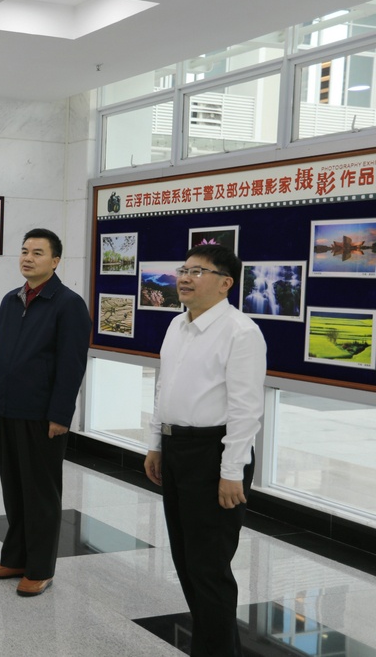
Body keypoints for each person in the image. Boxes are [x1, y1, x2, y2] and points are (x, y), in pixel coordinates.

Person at [144, 244, 266, 657]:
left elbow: (246, 410)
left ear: (225, 283)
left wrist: (231, 472)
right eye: (184, 269)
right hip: (176, 447)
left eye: (198, 271)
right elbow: (164, 388)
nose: (184, 277)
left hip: (213, 455)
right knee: (186, 560)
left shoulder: (240, 332)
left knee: (209, 567)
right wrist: (156, 444)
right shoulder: (176, 325)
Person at [0, 228, 92, 596]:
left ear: (55, 261)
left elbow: (72, 365)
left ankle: (40, 568)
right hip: (7, 409)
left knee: (40, 494)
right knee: (14, 490)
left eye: (38, 253)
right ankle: (15, 558)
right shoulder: (11, 300)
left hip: (42, 415)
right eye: (25, 251)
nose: (28, 258)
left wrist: (61, 414)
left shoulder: (68, 304)